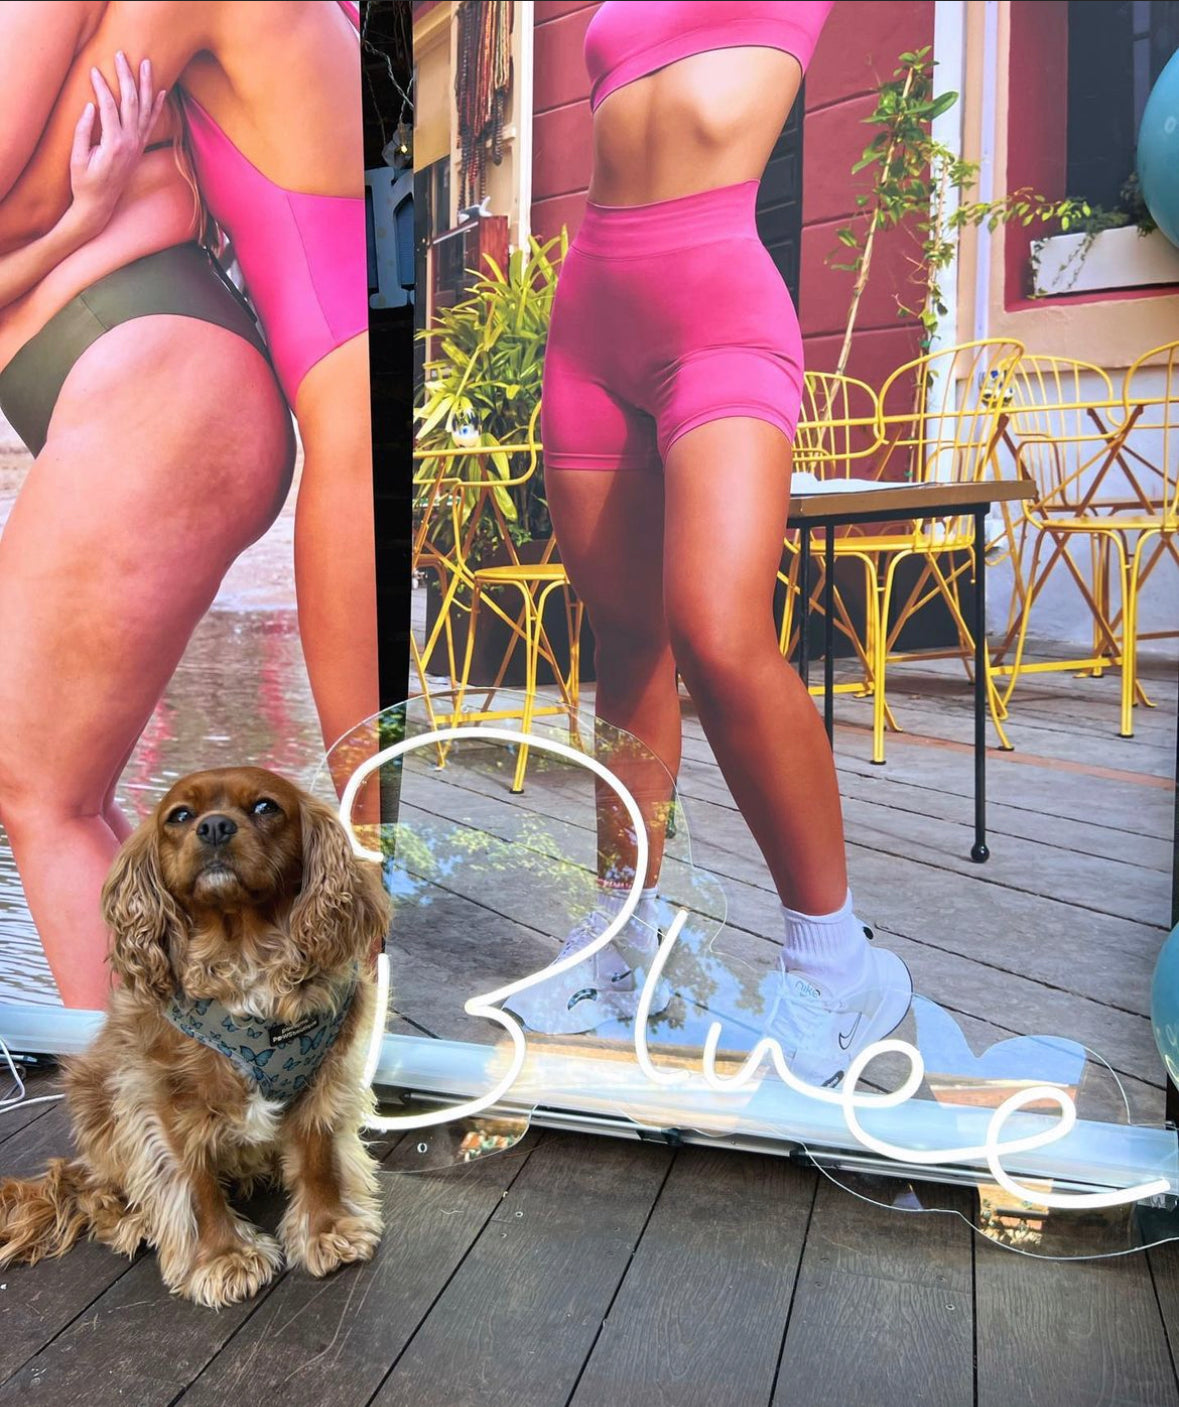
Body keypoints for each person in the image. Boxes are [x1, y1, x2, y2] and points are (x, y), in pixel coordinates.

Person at [505, 1, 912, 1088]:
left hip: (718, 313)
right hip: (591, 317)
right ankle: (622, 948)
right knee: (626, 642)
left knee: (718, 629)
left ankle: (838, 964)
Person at [0, 0, 378, 792]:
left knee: (373, 807)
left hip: (349, 420)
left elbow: (32, 201)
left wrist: (86, 217)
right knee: (384, 806)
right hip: (366, 384)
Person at [0, 6, 294, 1010]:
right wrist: (75, 226)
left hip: (158, 389)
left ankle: (154, 1107)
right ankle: (193, 1076)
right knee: (61, 795)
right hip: (151, 384)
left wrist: (76, 226)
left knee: (39, 793)